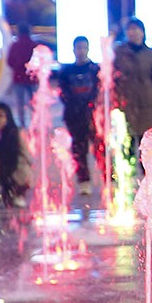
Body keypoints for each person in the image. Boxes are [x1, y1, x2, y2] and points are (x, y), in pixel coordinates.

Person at [112, 18, 152, 152]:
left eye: (136, 29)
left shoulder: (151, 54)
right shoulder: (119, 53)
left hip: (147, 105)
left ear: (143, 32)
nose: (133, 32)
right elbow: (113, 80)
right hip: (126, 104)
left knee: (148, 149)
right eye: (130, 29)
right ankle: (130, 173)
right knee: (127, 146)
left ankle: (147, 173)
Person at [58, 37, 101, 192]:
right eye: (78, 48)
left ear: (88, 49)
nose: (81, 51)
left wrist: (91, 106)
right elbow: (63, 93)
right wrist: (74, 105)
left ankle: (109, 178)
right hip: (74, 116)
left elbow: (100, 91)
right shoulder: (66, 71)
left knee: (99, 148)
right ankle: (84, 181)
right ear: (73, 49)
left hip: (93, 116)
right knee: (79, 149)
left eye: (84, 47)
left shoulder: (95, 70)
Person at [0, 102, 29, 207]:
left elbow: (25, 154)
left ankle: (17, 195)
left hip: (14, 169)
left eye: (0, 116)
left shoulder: (14, 133)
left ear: (8, 117)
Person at [6, 23, 38, 118]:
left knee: (20, 102)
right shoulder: (34, 45)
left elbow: (9, 61)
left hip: (18, 77)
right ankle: (35, 122)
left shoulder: (15, 45)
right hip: (32, 78)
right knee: (34, 102)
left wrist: (17, 67)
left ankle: (22, 123)